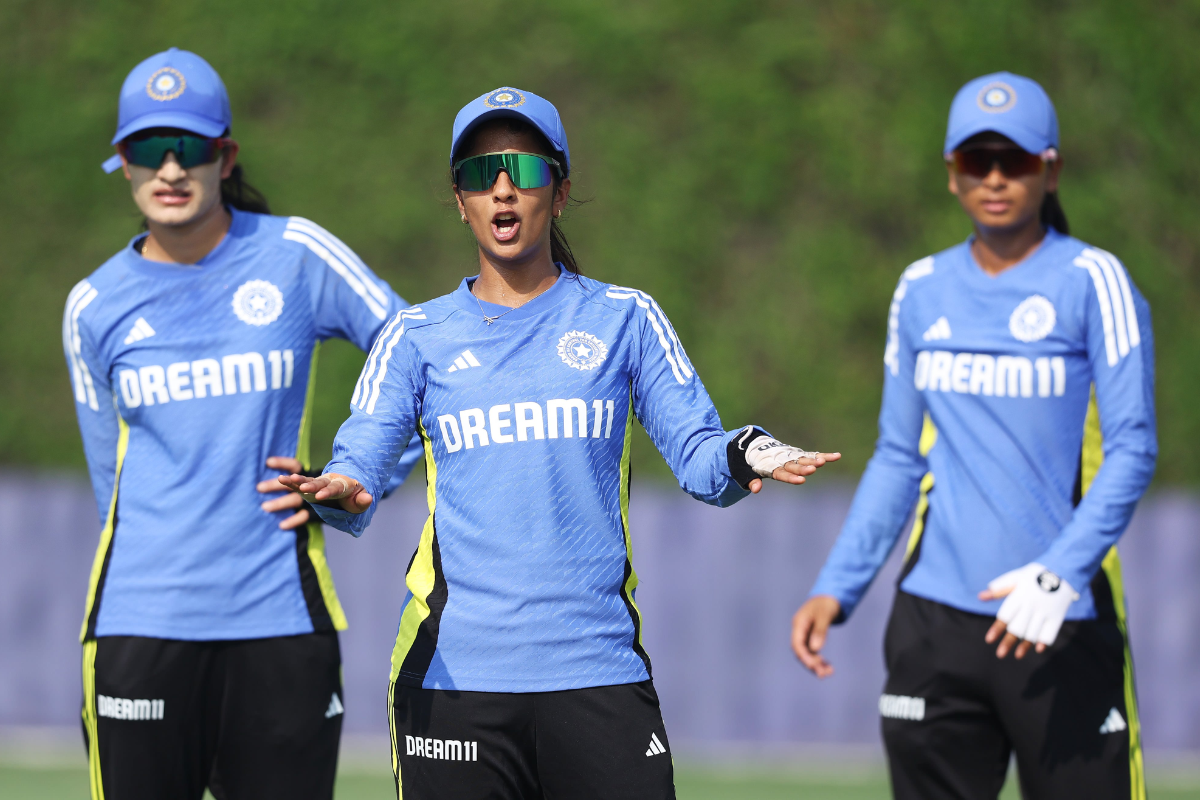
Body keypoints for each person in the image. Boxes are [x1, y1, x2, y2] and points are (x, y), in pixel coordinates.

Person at [278, 86, 841, 800]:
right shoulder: (415, 336)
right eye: (482, 175)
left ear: (562, 191)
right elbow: (362, 457)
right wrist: (342, 489)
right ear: (460, 201)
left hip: (598, 672)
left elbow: (701, 458)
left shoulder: (625, 319)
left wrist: (743, 450)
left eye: (526, 171)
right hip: (455, 684)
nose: (504, 190)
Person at [65, 48, 420, 800]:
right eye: (147, 149)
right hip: (141, 627)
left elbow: (424, 356)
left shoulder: (294, 258)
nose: (170, 167)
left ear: (224, 157)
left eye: (189, 146)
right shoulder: (93, 308)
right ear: (122, 164)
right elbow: (112, 493)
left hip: (280, 626)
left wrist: (362, 471)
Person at [790, 72, 1156, 799]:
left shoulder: (1094, 281)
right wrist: (838, 586)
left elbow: (1134, 449)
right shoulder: (920, 288)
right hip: (935, 628)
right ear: (951, 175)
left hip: (1059, 620)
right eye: (974, 161)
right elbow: (897, 458)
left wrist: (1060, 574)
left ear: (1050, 170)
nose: (994, 178)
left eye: (1014, 161)